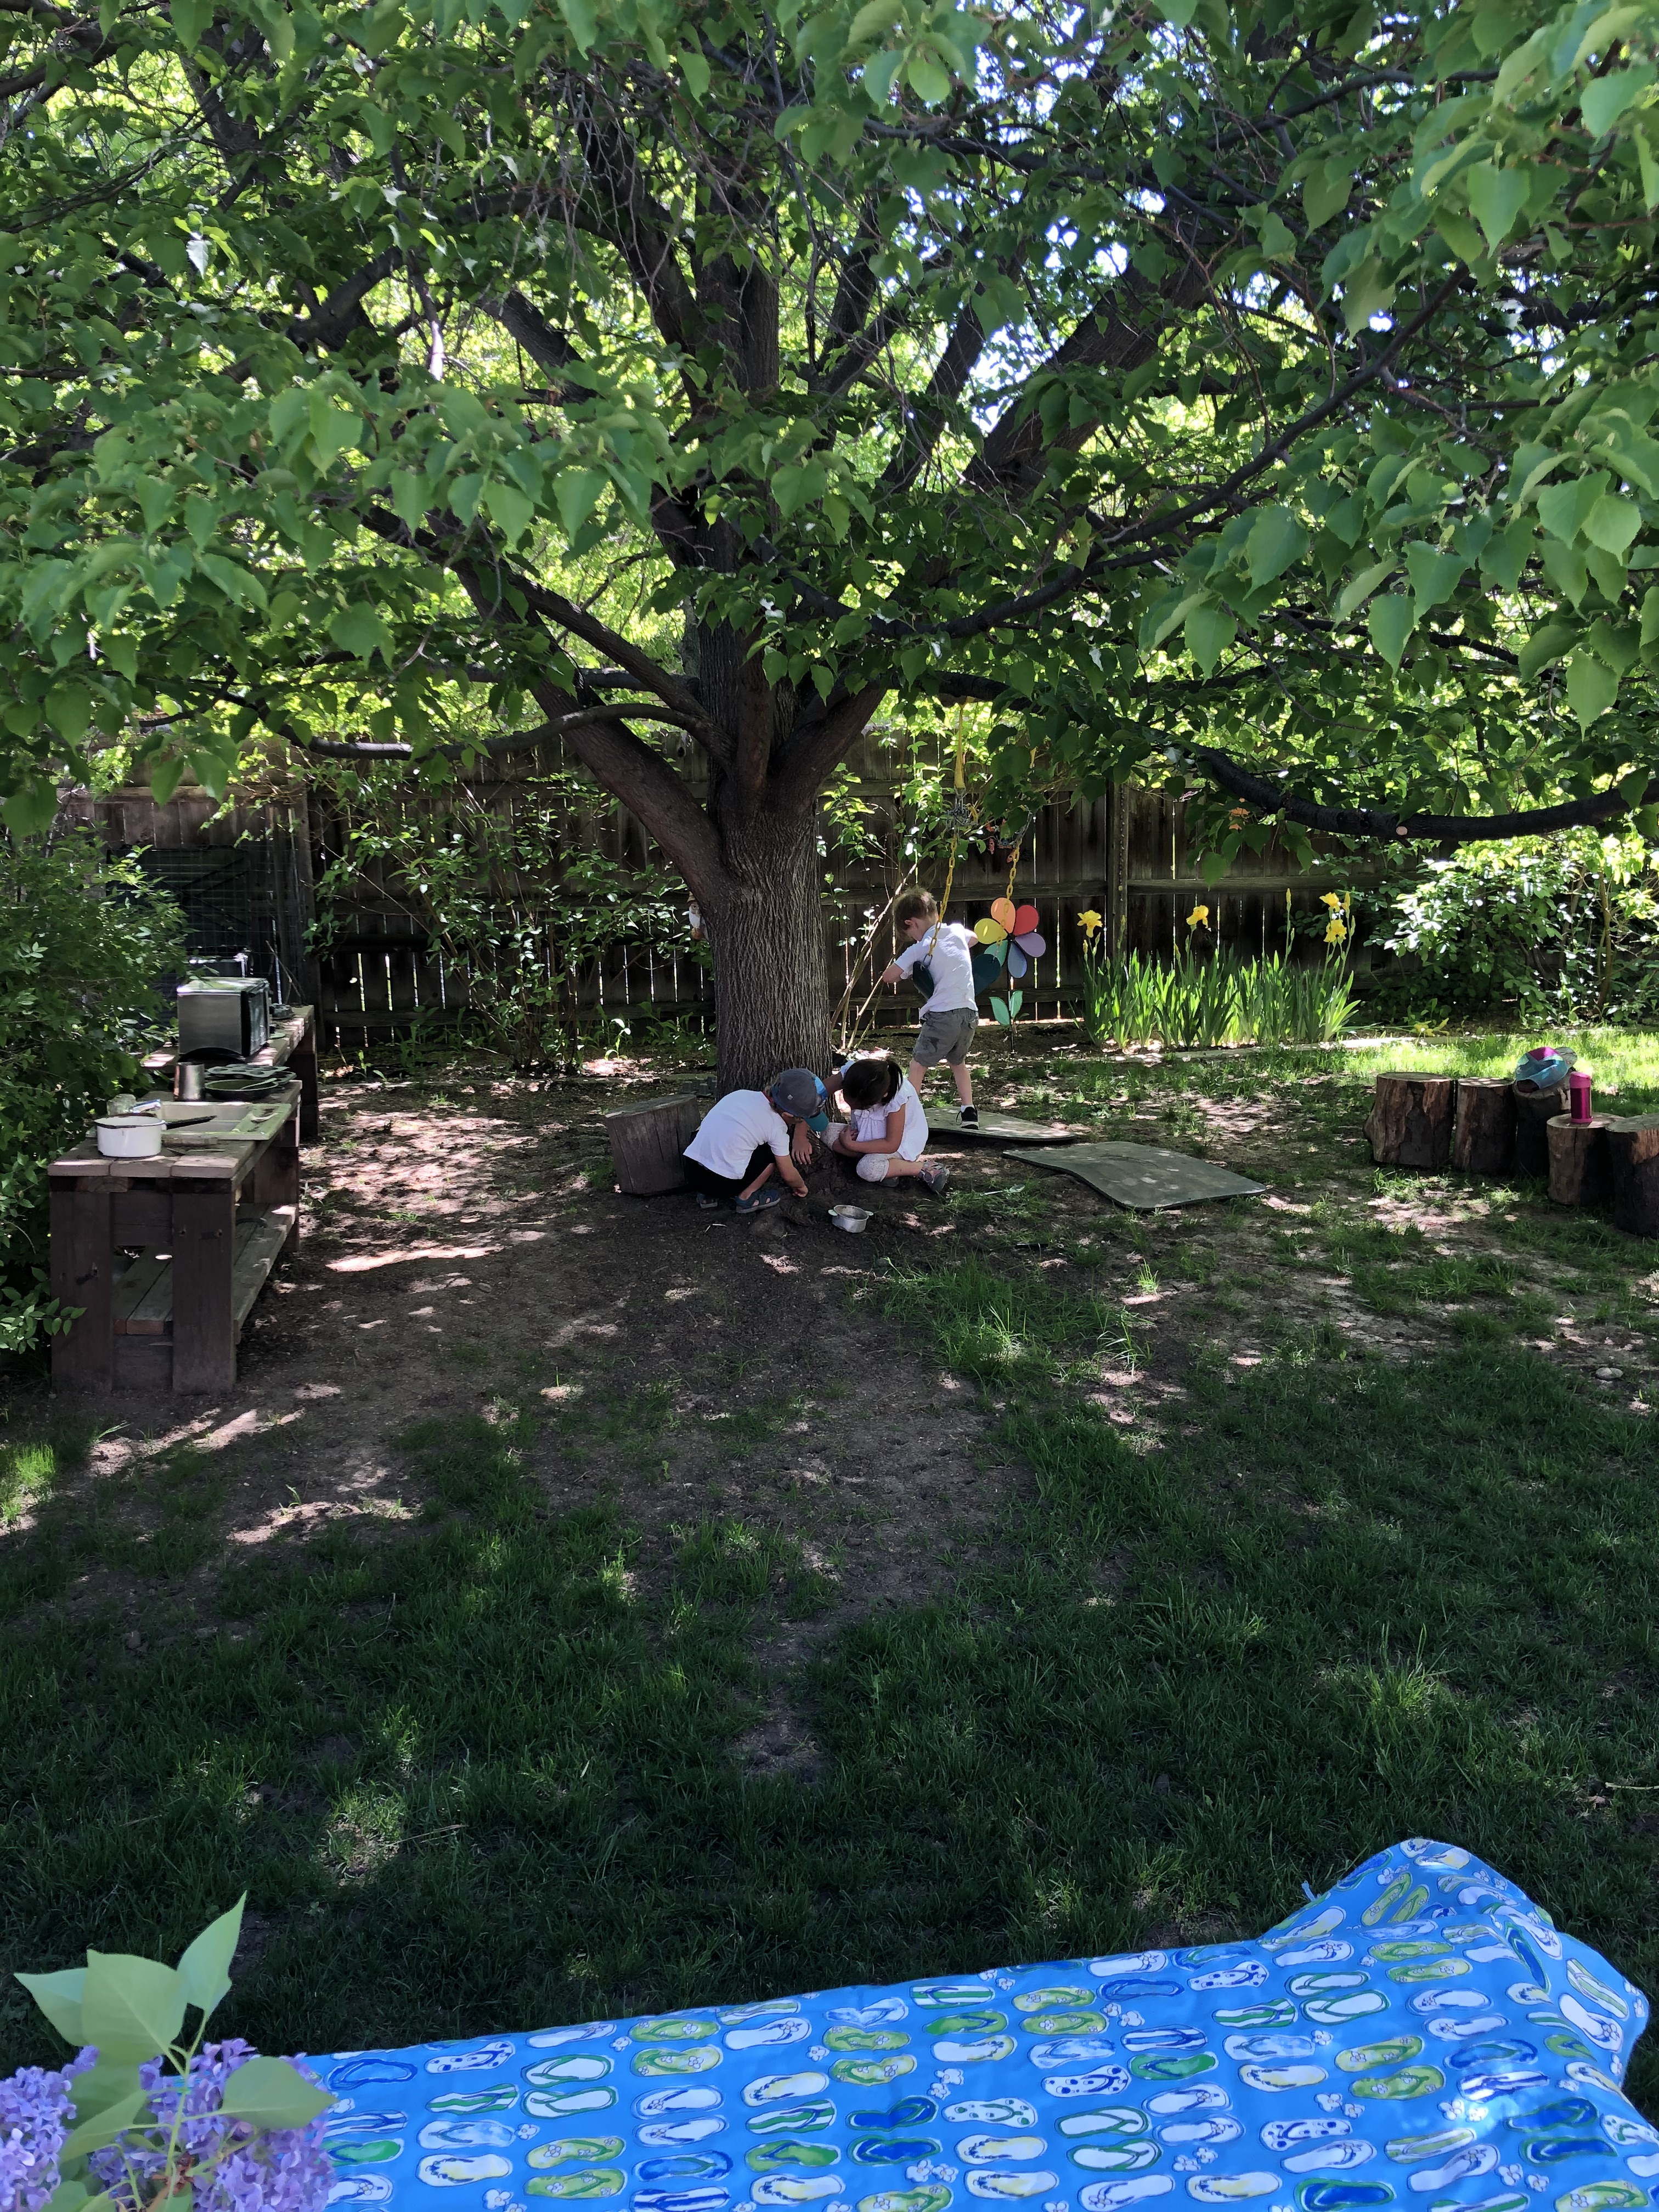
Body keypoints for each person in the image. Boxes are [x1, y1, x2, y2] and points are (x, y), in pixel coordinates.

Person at [879, 888, 979, 1126]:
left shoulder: (922, 947)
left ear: (911, 923)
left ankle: (908, 1114)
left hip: (943, 1015)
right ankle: (969, 1112)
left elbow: (889, 976)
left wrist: (911, 966)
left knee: (918, 1064)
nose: (914, 939)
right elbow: (975, 938)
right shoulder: (956, 931)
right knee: (958, 1063)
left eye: (910, 934)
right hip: (969, 1014)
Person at [682, 1067, 826, 1214]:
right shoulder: (777, 1128)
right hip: (724, 1185)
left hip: (692, 1172)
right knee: (772, 1154)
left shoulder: (740, 1095)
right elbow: (788, 1174)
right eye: (801, 1119)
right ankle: (747, 1197)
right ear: (788, 1115)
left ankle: (706, 1196)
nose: (801, 1122)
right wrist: (801, 1187)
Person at [826, 1053, 949, 1197]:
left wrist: (851, 1145)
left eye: (860, 1107)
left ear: (882, 1097)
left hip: (899, 1145)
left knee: (867, 1169)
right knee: (827, 1132)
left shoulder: (897, 1098)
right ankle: (889, 1168)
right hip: (867, 1136)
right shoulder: (853, 1074)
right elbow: (816, 1094)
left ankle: (924, 1168)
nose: (852, 1108)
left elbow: (892, 1144)